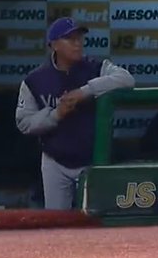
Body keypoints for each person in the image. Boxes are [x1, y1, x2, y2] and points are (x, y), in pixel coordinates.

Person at [14, 17, 135, 209]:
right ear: (54, 45)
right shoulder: (35, 80)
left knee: (93, 218)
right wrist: (56, 115)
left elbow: (127, 79)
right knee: (56, 220)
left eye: (79, 38)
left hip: (91, 160)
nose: (78, 44)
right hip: (54, 160)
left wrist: (85, 91)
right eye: (70, 39)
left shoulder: (96, 68)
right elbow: (24, 123)